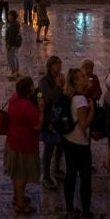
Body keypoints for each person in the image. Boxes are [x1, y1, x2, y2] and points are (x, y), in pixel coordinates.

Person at [61, 68, 95, 219]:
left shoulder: (69, 94)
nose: (86, 76)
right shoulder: (80, 100)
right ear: (76, 81)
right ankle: (86, 212)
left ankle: (69, 209)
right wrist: (92, 111)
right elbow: (83, 125)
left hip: (68, 139)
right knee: (85, 178)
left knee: (70, 174)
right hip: (80, 144)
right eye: (82, 76)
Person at [4, 76, 41, 214]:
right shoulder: (27, 106)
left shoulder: (14, 98)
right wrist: (41, 110)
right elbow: (37, 126)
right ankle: (20, 204)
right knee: (21, 175)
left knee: (16, 173)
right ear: (29, 89)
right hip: (24, 144)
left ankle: (17, 196)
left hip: (13, 141)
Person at [38, 55, 65, 189]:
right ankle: (46, 175)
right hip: (50, 120)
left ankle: (57, 168)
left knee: (60, 145)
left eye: (60, 62)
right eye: (56, 63)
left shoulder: (61, 78)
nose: (59, 65)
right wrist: (60, 87)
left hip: (60, 118)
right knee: (49, 149)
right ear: (49, 66)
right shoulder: (44, 81)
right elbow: (50, 98)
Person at [5, 10, 22, 80]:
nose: (8, 16)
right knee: (15, 56)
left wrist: (9, 44)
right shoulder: (15, 23)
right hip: (16, 43)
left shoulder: (13, 25)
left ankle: (13, 72)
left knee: (11, 57)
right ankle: (17, 71)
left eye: (9, 15)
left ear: (12, 16)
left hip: (13, 44)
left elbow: (11, 36)